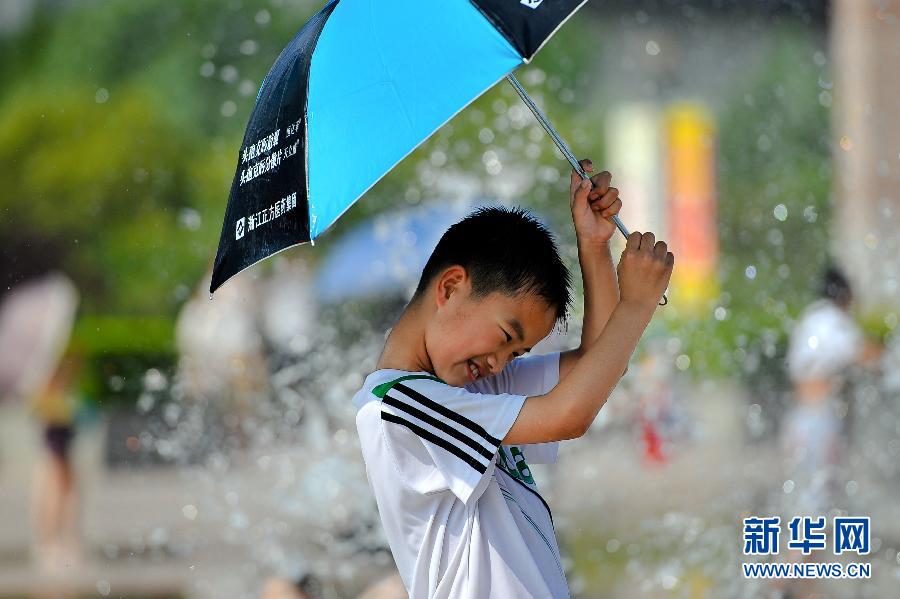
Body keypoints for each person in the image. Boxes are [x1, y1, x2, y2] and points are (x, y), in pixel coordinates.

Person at [353, 160, 673, 598]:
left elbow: (596, 367)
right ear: (450, 288)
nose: (499, 364)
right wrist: (635, 306)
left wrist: (594, 246)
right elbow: (569, 415)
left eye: (516, 353)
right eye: (506, 336)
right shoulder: (397, 405)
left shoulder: (466, 387)